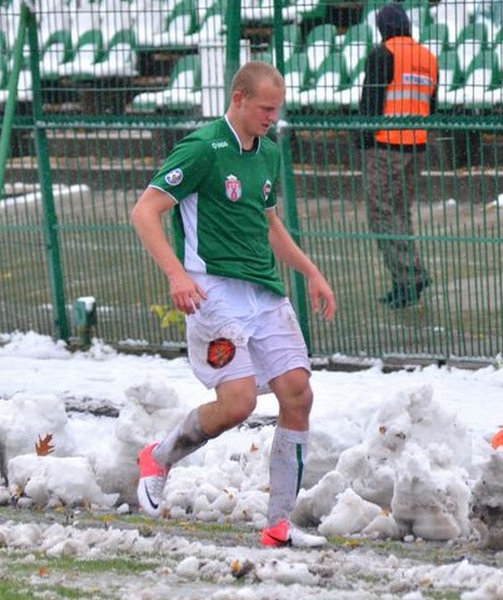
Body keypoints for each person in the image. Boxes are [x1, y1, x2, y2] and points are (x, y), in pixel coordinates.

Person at [130, 61, 336, 548]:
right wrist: (176, 274)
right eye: (266, 108)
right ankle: (159, 457)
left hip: (263, 291)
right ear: (239, 98)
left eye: (278, 110)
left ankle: (278, 525)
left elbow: (269, 225)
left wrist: (311, 272)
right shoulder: (203, 149)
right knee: (239, 404)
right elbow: (145, 210)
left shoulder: (267, 154)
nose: (272, 118)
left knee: (298, 393)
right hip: (213, 291)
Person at [357, 3, 438, 309]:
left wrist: (363, 141)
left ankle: (408, 278)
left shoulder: (383, 54)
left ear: (382, 28)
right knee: (400, 213)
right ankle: (407, 279)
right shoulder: (428, 57)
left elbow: (371, 101)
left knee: (381, 215)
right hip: (415, 147)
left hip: (386, 146)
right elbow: (432, 106)